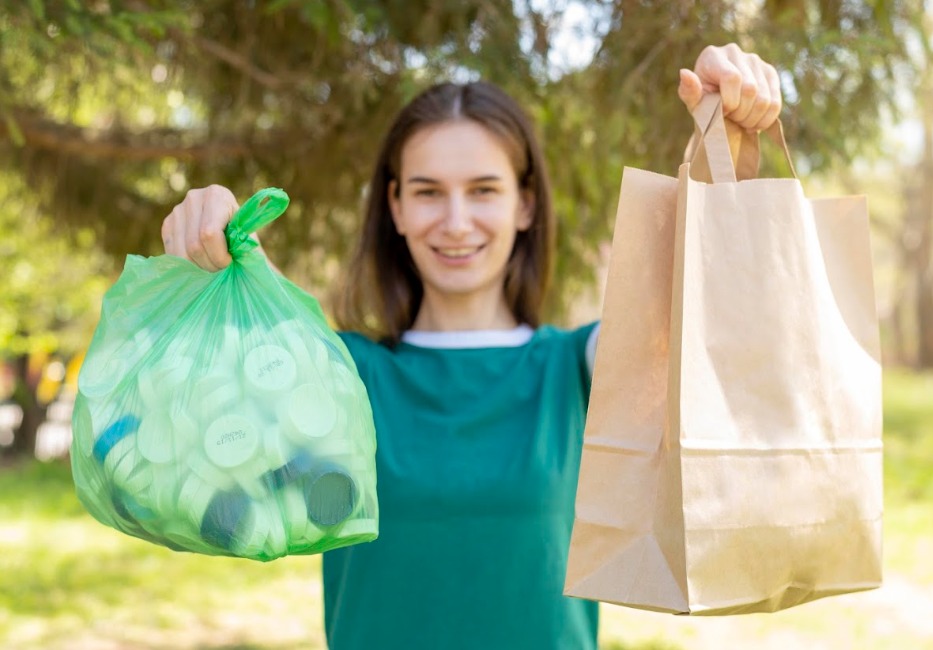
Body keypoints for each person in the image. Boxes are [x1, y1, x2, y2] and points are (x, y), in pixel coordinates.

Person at [162, 43, 782, 650]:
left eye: (484, 190)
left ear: (526, 205)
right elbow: (204, 417)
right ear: (396, 206)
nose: (456, 221)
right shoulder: (344, 374)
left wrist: (719, 153)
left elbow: (692, 302)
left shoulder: (576, 369)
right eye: (429, 191)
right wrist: (207, 247)